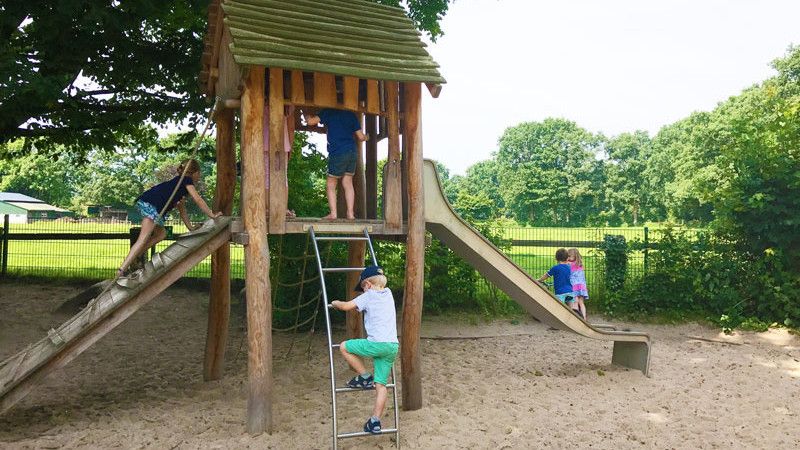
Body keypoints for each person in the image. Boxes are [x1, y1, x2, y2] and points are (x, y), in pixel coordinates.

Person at [118, 159, 220, 276]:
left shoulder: (179, 186)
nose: (199, 177)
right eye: (199, 173)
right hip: (151, 204)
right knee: (142, 239)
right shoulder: (186, 180)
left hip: (150, 203)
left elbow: (182, 211)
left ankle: (137, 255)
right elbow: (198, 199)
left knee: (161, 234)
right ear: (195, 173)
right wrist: (211, 214)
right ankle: (121, 270)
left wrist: (191, 228)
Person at [330, 265, 398, 434]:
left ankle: (365, 376)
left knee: (344, 346)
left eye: (362, 288)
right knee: (381, 385)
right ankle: (375, 421)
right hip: (392, 346)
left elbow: (346, 306)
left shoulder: (368, 296)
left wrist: (335, 303)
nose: (362, 291)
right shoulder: (389, 294)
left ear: (367, 285)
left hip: (376, 344)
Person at [303, 108, 368, 220]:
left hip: (338, 152)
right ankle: (351, 214)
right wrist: (367, 136)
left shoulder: (328, 111)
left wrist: (306, 113)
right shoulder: (351, 115)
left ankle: (333, 214)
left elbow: (310, 122)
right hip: (352, 152)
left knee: (331, 183)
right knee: (348, 182)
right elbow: (361, 137)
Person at [537, 248, 578, 312]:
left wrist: (539, 280)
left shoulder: (555, 268)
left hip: (560, 293)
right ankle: (573, 318)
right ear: (567, 258)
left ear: (556, 258)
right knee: (571, 309)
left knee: (558, 309)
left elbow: (546, 275)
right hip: (570, 291)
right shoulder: (569, 268)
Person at [567, 248, 589, 320]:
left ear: (574, 256)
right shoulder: (580, 264)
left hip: (574, 286)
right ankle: (584, 318)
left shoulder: (569, 264)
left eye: (569, 256)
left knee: (575, 302)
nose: (568, 258)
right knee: (581, 303)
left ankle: (576, 319)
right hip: (582, 286)